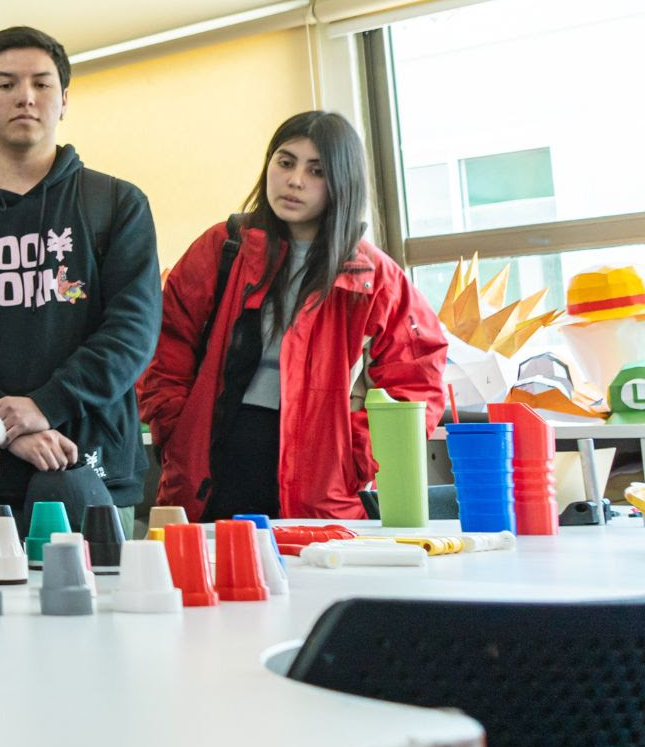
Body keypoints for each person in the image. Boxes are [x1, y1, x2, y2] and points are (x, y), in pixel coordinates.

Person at [0, 27, 161, 532]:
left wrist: (46, 405)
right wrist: (8, 426)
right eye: (5, 84)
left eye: (42, 84)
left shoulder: (116, 205)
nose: (25, 96)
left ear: (64, 101)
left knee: (103, 608)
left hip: (91, 462)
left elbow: (133, 331)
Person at [138, 110, 447, 521]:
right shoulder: (222, 248)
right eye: (285, 162)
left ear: (342, 184)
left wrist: (357, 457)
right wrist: (175, 431)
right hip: (211, 467)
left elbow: (416, 382)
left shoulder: (377, 278)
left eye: (316, 170)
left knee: (314, 584)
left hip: (321, 477)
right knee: (210, 583)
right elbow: (163, 345)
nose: (295, 180)